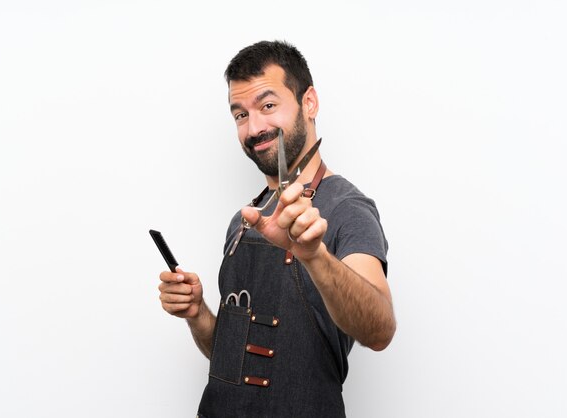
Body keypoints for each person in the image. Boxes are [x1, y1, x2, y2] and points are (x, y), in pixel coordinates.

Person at [158, 40, 396, 418]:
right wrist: (196, 313)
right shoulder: (243, 221)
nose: (255, 128)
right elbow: (234, 358)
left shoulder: (348, 209)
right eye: (240, 115)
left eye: (268, 106)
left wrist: (314, 255)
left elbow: (380, 330)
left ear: (310, 102)